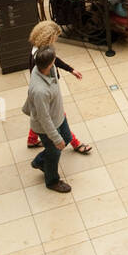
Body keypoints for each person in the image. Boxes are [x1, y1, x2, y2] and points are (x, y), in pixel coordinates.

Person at [25, 21, 90, 151]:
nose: (55, 41)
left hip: (47, 88)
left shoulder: (38, 50)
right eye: (54, 38)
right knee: (60, 117)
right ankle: (75, 143)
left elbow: (54, 59)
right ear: (48, 38)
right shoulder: (38, 57)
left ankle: (31, 140)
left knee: (38, 114)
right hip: (47, 90)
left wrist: (70, 70)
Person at [22, 47, 76, 192]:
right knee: (54, 153)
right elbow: (44, 118)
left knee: (67, 137)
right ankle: (52, 181)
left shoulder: (43, 69)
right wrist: (55, 139)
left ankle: (39, 161)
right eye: (54, 60)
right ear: (48, 64)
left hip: (58, 116)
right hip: (48, 125)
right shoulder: (40, 91)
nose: (55, 61)